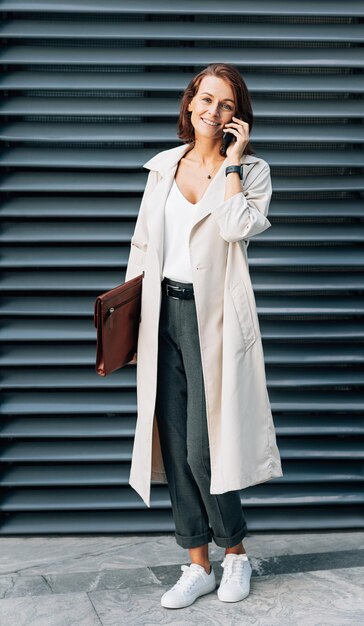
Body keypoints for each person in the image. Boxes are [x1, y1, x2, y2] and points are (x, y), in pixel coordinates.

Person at [125, 63, 283, 609]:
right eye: (206, 99)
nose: (213, 112)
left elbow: (239, 228)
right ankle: (197, 563)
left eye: (226, 105)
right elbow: (143, 246)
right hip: (160, 315)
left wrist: (233, 165)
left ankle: (235, 553)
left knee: (202, 450)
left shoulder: (252, 171)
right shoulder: (163, 167)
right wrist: (129, 320)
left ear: (237, 117)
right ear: (190, 102)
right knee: (171, 447)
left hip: (211, 320)